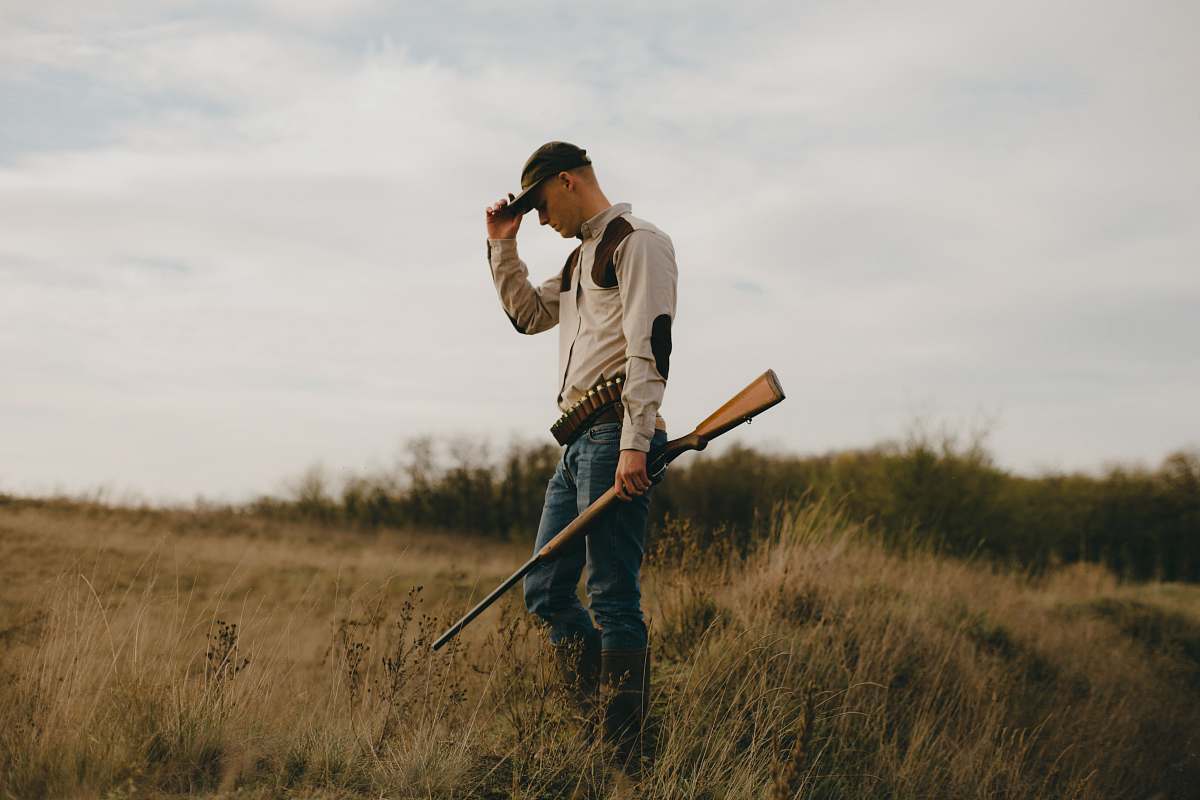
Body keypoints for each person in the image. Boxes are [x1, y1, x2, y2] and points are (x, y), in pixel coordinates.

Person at [484, 141, 678, 772]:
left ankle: (626, 756)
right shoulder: (576, 263)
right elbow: (525, 315)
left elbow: (652, 348)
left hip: (614, 435)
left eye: (541, 205)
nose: (542, 220)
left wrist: (633, 445)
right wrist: (502, 243)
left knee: (612, 595)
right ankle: (606, 719)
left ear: (567, 182)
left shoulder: (637, 241)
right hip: (575, 445)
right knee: (544, 589)